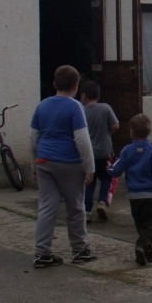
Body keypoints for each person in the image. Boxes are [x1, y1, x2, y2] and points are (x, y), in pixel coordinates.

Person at [30, 65, 96, 268]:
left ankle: (42, 252)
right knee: (75, 207)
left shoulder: (41, 106)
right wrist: (89, 167)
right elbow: (82, 139)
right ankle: (80, 250)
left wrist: (34, 164)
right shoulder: (75, 107)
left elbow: (33, 138)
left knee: (47, 207)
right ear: (76, 86)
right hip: (69, 162)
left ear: (54, 84)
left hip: (44, 161)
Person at [108, 113, 152, 266]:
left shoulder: (126, 150)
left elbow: (116, 170)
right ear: (149, 132)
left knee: (141, 225)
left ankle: (149, 251)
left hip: (134, 196)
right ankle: (142, 247)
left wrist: (108, 169)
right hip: (150, 195)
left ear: (131, 132)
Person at [81, 81, 119, 222]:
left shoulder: (81, 111)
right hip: (105, 153)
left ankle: (87, 211)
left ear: (84, 95)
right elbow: (115, 126)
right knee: (107, 178)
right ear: (98, 95)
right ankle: (102, 202)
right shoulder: (105, 108)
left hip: (88, 154)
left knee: (89, 181)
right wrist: (106, 131)